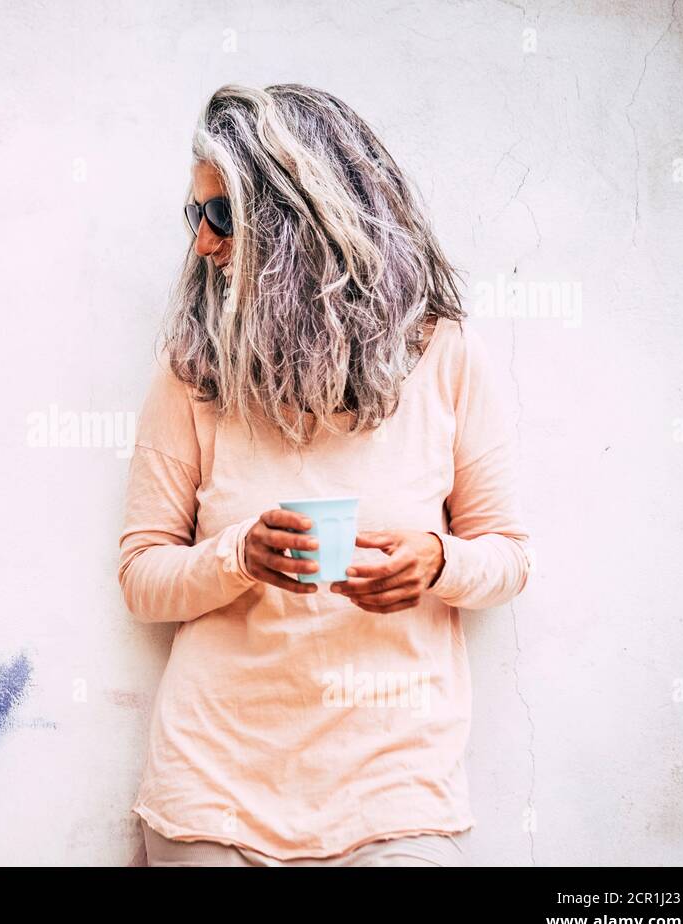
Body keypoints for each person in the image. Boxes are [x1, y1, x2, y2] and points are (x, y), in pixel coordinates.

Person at [118, 82, 532, 867]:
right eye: (193, 215)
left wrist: (439, 563)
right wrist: (235, 556)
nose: (202, 244)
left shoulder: (447, 358)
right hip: (213, 790)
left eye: (222, 216)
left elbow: (509, 554)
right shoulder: (192, 371)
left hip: (394, 788)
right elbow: (142, 575)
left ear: (298, 220)